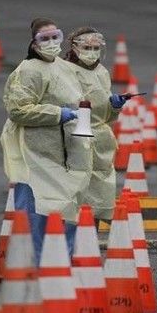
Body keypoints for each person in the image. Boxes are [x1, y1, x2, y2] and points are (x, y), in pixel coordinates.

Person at [0, 17, 91, 262]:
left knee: (65, 209)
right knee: (35, 212)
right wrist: (57, 113)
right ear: (33, 43)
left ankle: (61, 265)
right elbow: (18, 110)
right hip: (35, 153)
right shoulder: (28, 71)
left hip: (64, 153)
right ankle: (34, 267)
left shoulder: (63, 67)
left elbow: (81, 98)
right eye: (44, 38)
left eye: (55, 37)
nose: (51, 43)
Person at [63, 27, 126, 226]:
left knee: (100, 191)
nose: (91, 52)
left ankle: (90, 240)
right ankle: (69, 239)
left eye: (95, 47)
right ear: (74, 48)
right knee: (76, 189)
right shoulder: (65, 71)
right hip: (74, 135)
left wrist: (115, 106)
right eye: (87, 47)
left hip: (100, 139)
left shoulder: (102, 72)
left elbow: (106, 115)